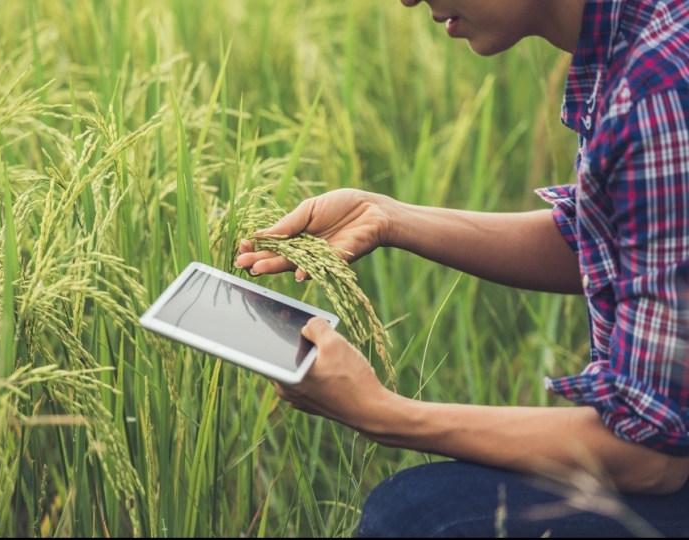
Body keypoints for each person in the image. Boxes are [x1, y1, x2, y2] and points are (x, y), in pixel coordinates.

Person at [235, 0, 689, 536]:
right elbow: (621, 247)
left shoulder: (655, 91)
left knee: (419, 516)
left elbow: (650, 455)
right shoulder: (634, 40)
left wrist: (379, 412)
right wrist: (388, 216)